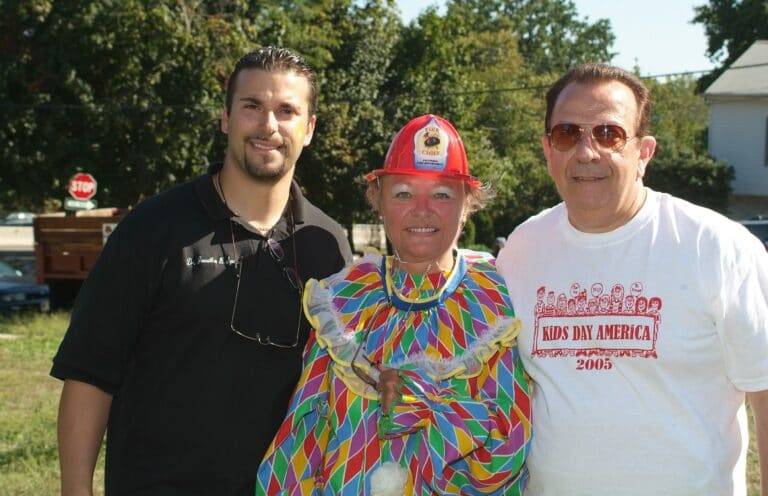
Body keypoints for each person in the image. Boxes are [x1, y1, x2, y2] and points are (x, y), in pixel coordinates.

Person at [51, 47, 352, 495]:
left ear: (308, 129)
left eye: (286, 111)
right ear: (226, 118)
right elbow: (89, 376)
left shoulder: (329, 248)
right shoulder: (152, 229)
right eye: (252, 106)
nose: (268, 125)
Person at [496, 63, 768, 495]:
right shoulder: (520, 252)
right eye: (568, 134)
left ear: (644, 152)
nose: (587, 152)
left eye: (609, 134)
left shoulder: (717, 248)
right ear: (548, 150)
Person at [256, 114, 531, 495]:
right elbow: (303, 435)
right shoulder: (343, 298)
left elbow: (508, 444)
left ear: (467, 204)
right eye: (403, 193)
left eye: (442, 194)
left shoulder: (492, 298)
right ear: (378, 201)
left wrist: (423, 398)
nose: (422, 209)